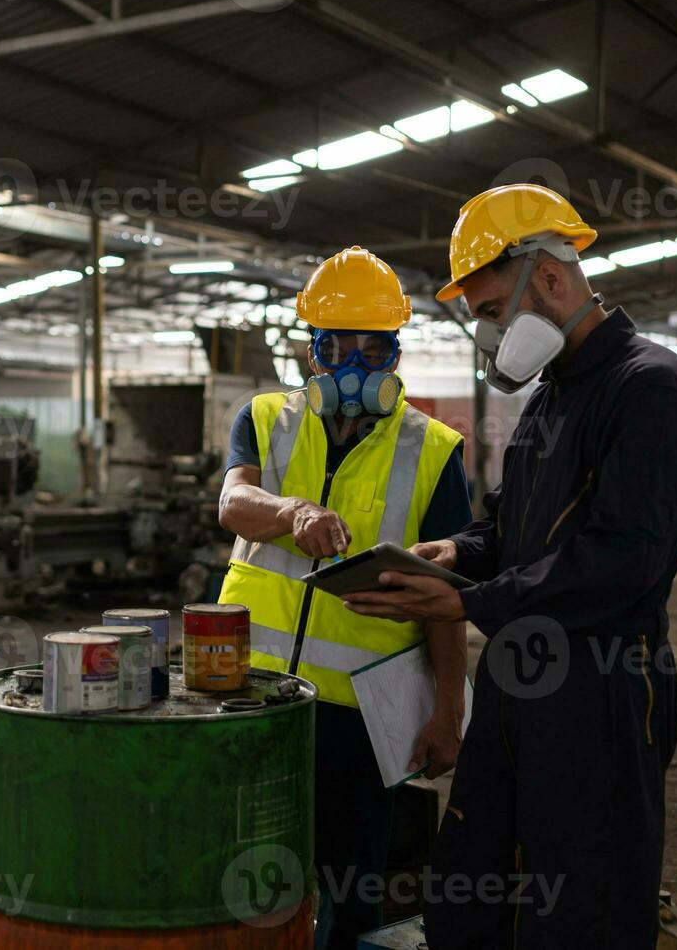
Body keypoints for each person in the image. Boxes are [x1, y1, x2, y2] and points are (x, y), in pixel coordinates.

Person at [342, 184, 677, 949]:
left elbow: (623, 559)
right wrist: (455, 555)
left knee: (584, 898)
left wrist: (468, 606)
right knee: (474, 880)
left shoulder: (651, 390)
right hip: (520, 679)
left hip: (604, 687)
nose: (486, 336)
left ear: (548, 276)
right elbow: (511, 530)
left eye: (487, 314)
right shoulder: (552, 399)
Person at [216, 245, 474, 949]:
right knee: (245, 874)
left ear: (395, 354)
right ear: (311, 350)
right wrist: (294, 513)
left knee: (349, 887)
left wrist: (449, 709)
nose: (353, 365)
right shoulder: (266, 418)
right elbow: (233, 503)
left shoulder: (435, 449)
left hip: (362, 713)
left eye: (372, 347)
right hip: (252, 696)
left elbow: (444, 602)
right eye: (337, 345)